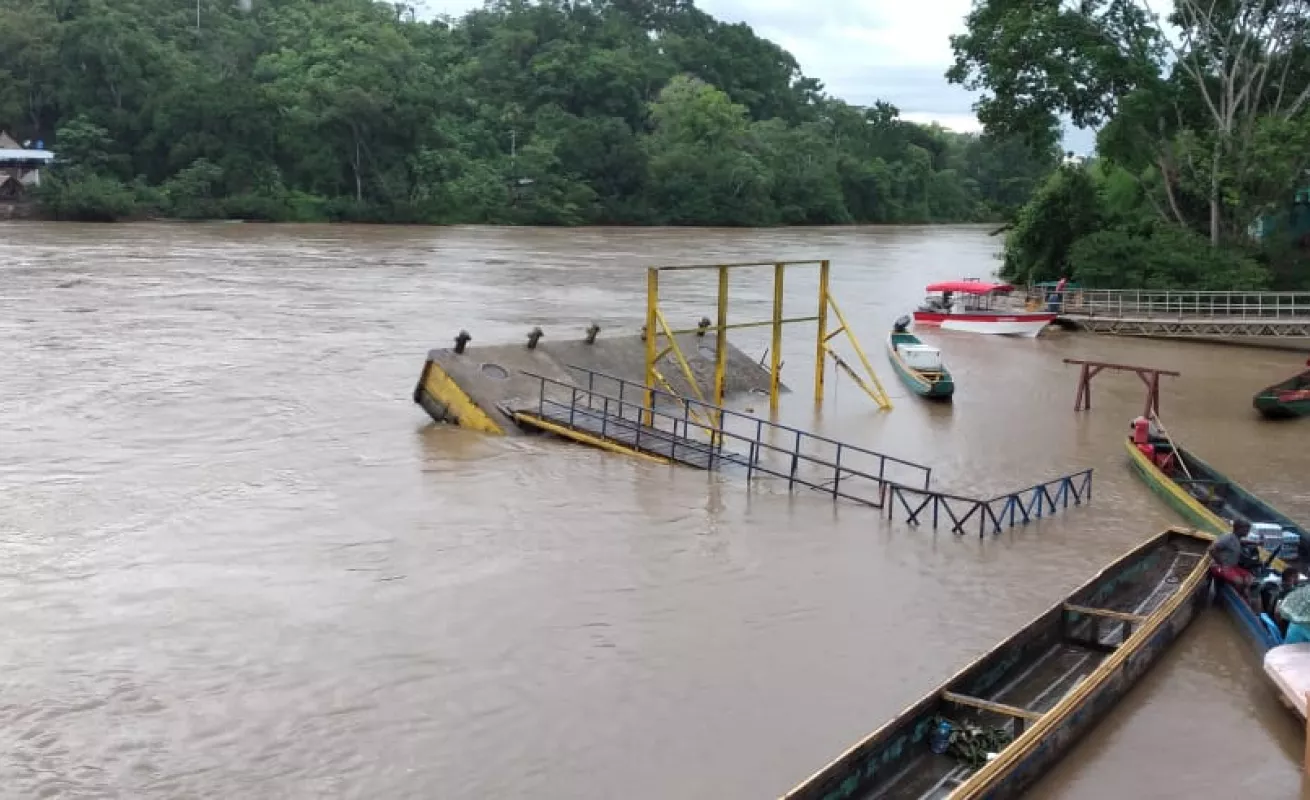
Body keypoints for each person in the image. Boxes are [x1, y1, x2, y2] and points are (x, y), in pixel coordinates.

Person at [1209, 519, 1257, 590]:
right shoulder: (1227, 538)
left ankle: (1245, 593)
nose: (1248, 531)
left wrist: (1256, 543)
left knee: (1250, 578)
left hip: (1232, 567)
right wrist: (1221, 563)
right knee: (1239, 582)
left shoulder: (1236, 538)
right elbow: (1211, 549)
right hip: (1219, 567)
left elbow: (1242, 542)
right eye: (1246, 529)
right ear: (1239, 528)